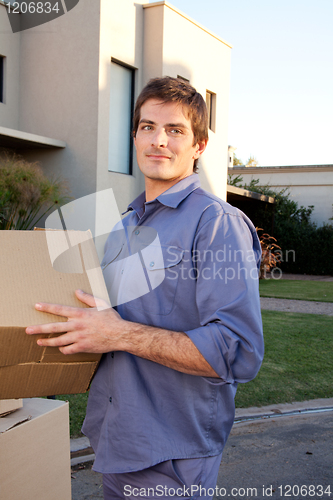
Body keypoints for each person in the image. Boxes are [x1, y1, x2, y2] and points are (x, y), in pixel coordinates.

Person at [26, 77, 264, 499]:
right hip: (116, 437)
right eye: (148, 127)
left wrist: (116, 333)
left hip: (171, 456)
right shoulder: (126, 223)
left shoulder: (217, 224)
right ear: (134, 136)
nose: (159, 141)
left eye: (175, 130)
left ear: (199, 146)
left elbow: (238, 350)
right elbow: (111, 323)